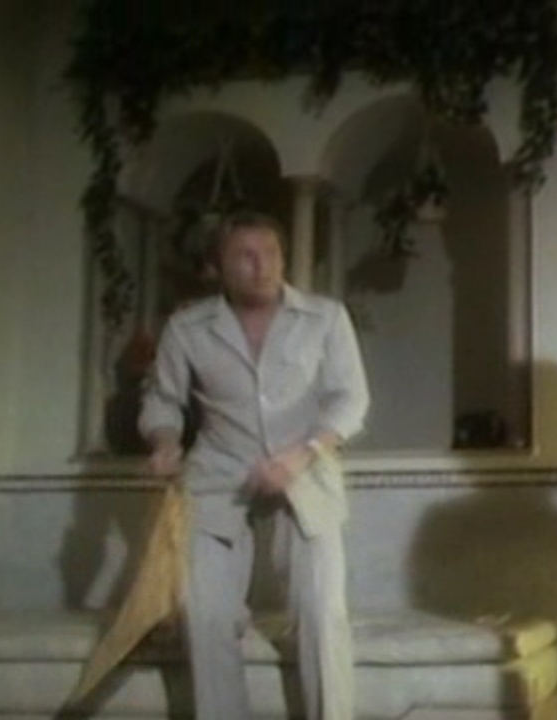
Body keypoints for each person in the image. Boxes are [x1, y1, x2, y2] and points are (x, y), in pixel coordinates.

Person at [140, 210, 369, 720]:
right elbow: (162, 400)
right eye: (244, 255)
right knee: (205, 615)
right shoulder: (188, 327)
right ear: (217, 265)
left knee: (320, 612)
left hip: (305, 467)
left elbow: (350, 401)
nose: (260, 265)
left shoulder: (325, 318)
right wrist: (165, 441)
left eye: (270, 253)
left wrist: (303, 453)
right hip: (219, 474)